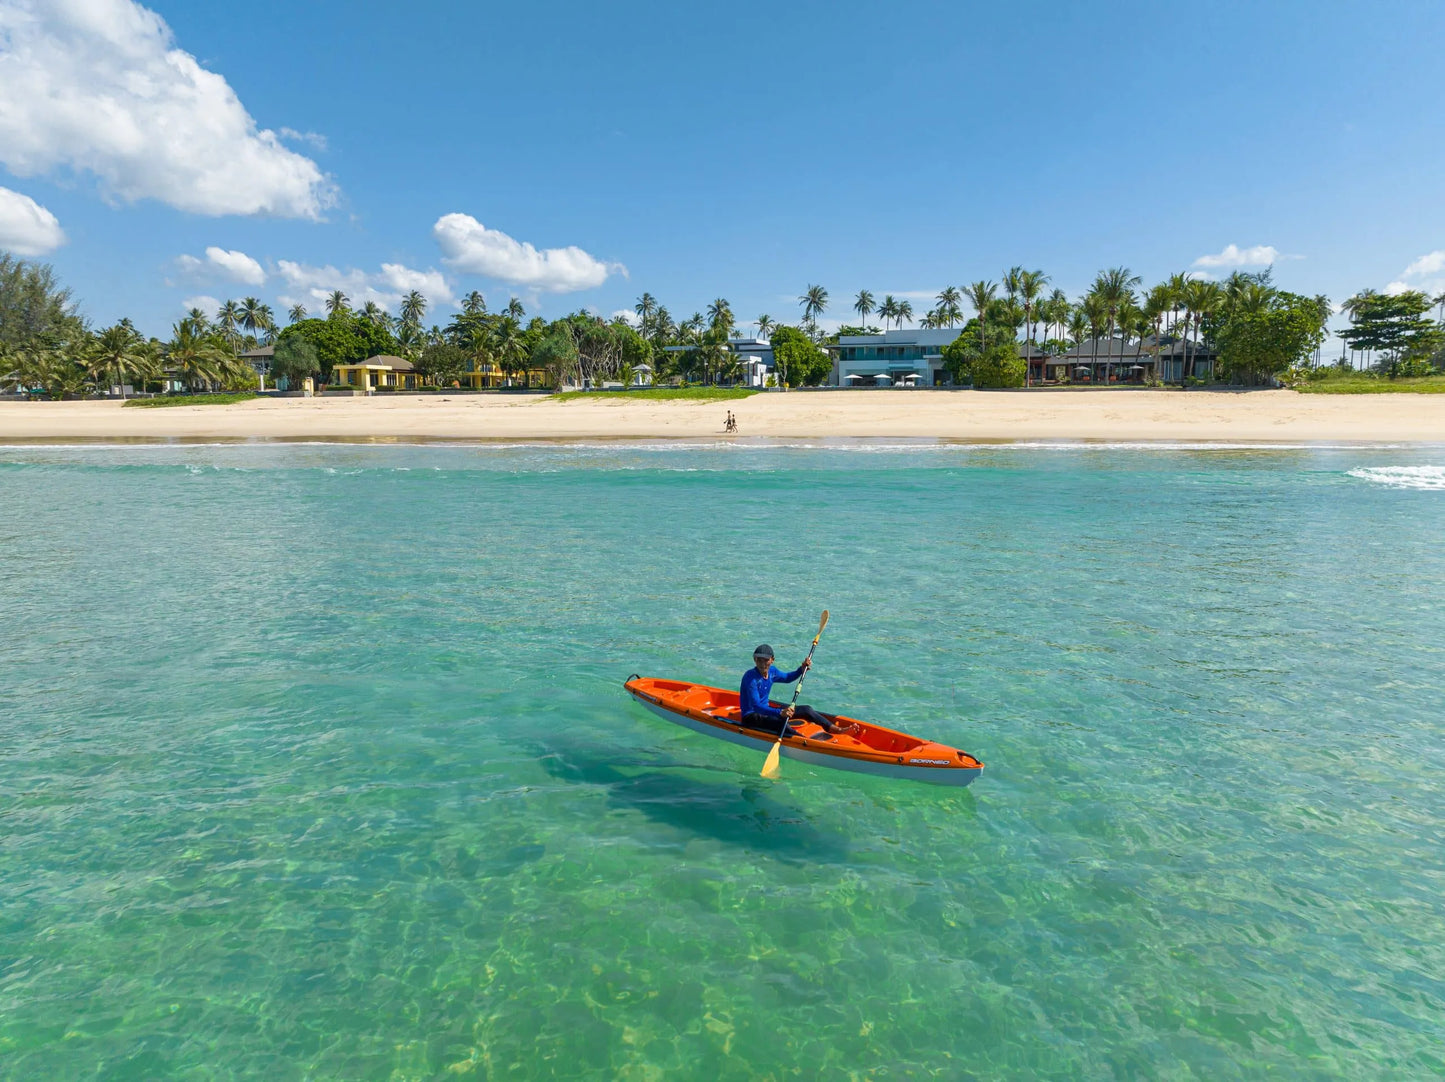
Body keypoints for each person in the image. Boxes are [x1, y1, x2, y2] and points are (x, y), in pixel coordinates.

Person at [738, 644, 854, 738]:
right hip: (751, 716)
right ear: (754, 659)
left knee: (807, 709)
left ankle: (837, 730)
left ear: (772, 660)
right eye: (759, 660)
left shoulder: (772, 672)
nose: (763, 664)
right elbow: (757, 706)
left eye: (766, 660)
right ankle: (804, 741)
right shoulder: (750, 678)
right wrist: (780, 713)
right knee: (780, 722)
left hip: (766, 711)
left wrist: (801, 669)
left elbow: (788, 678)